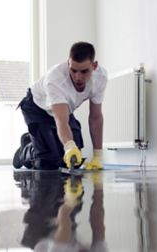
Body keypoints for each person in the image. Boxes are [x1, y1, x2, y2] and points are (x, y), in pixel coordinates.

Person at [13, 41, 108, 170]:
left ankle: (41, 141)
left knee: (74, 160)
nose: (77, 77)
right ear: (68, 63)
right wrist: (69, 146)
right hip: (36, 107)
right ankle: (25, 149)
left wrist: (98, 156)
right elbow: (61, 120)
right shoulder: (56, 79)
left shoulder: (100, 77)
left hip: (64, 109)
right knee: (48, 162)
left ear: (94, 66)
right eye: (73, 70)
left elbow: (95, 118)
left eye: (84, 71)